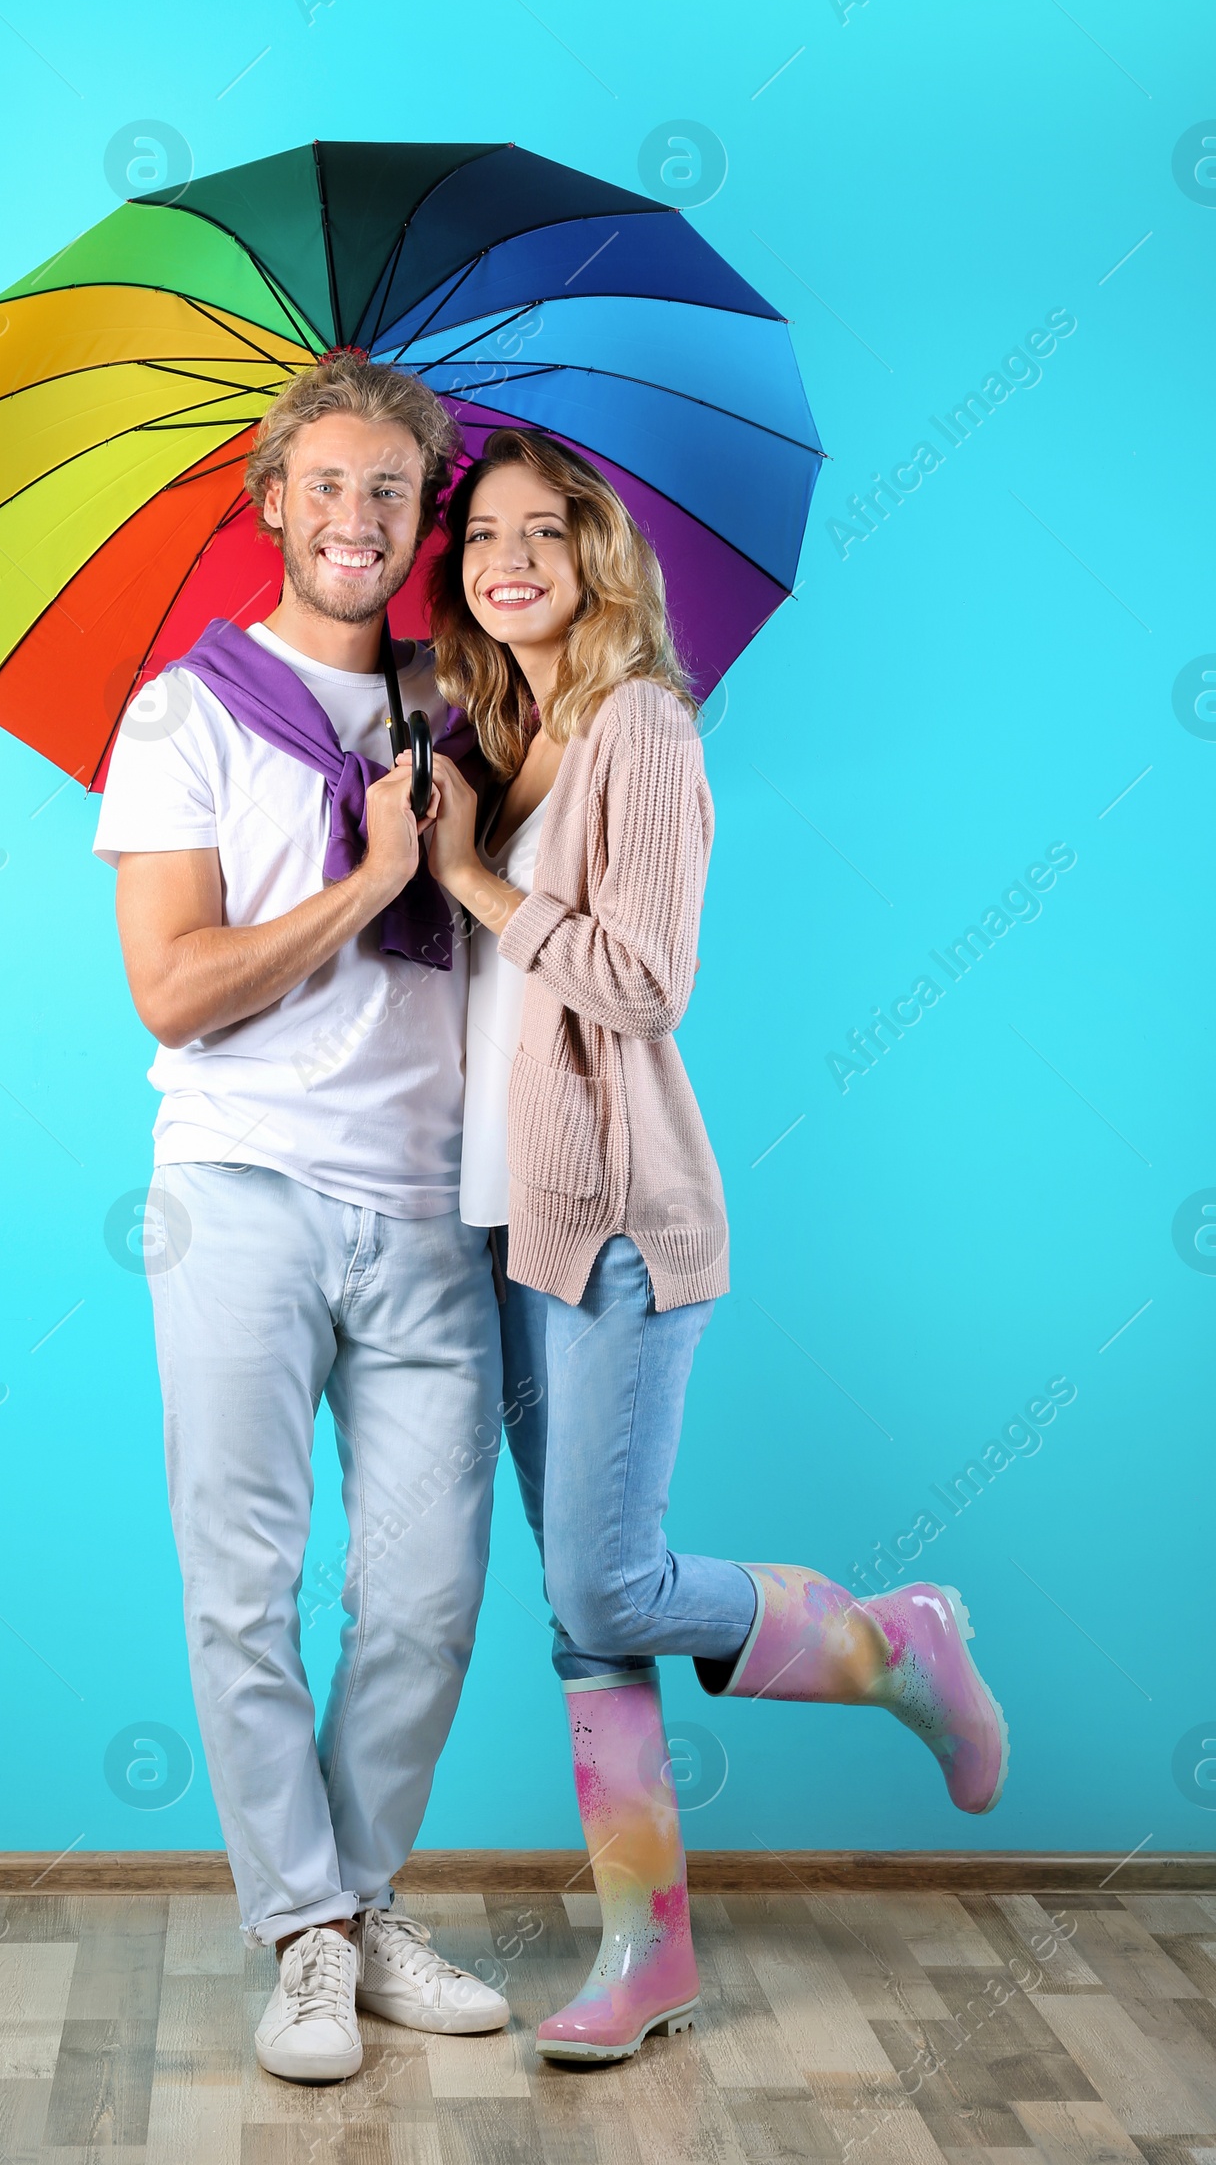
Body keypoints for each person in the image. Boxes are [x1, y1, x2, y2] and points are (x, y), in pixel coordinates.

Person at [424, 427, 1010, 2066]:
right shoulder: (492, 735)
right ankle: (646, 1955)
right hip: (500, 1229)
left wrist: (473, 876)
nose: (508, 559)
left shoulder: (642, 728)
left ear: (602, 556)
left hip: (614, 1216)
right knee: (584, 1617)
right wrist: (444, 824)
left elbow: (641, 983)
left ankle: (898, 1643)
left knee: (603, 1574)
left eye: (545, 531)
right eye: (481, 536)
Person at [95, 355, 510, 2083]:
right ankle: (306, 1937)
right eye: (325, 486)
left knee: (422, 1599)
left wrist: (471, 838)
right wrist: (371, 885)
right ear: (271, 502)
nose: (357, 518)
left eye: (390, 494)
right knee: (242, 1588)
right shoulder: (183, 715)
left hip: (430, 1210)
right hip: (241, 1193)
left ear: (426, 519)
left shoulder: (466, 713)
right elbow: (174, 994)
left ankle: (361, 1899)